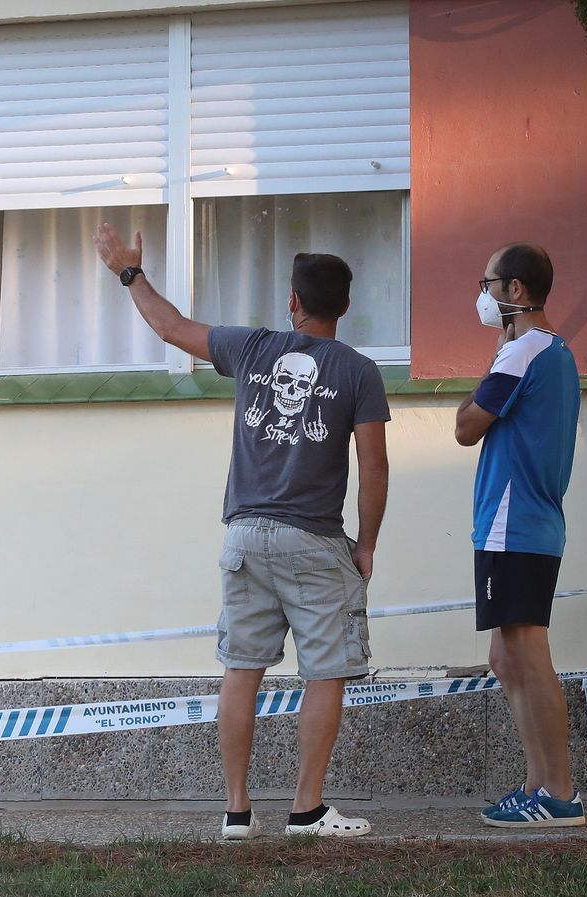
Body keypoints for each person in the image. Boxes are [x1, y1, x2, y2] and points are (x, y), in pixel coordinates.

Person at [94, 224, 389, 839]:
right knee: (325, 672)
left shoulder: (252, 348)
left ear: (292, 301)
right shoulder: (359, 371)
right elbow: (374, 467)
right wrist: (366, 545)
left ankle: (236, 810)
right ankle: (306, 809)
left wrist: (129, 273)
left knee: (242, 669)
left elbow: (171, 327)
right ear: (345, 306)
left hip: (245, 536)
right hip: (314, 542)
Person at [454, 243, 584, 828]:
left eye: (488, 283)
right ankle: (537, 785)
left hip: (515, 526)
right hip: (524, 525)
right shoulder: (554, 351)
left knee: (527, 655)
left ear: (515, 290)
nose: (482, 295)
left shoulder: (523, 350)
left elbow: (465, 426)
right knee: (506, 658)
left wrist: (497, 358)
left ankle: (559, 793)